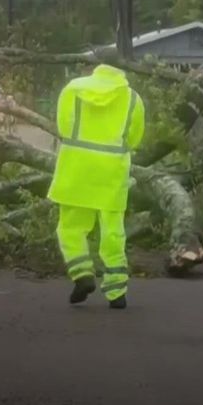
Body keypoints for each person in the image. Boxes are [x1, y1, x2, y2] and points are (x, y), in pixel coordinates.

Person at [47, 64, 145, 309]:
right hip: (112, 172)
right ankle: (116, 292)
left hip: (76, 168)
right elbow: (135, 137)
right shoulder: (132, 97)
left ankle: (82, 274)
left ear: (95, 69)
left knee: (70, 228)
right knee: (113, 232)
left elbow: (63, 126)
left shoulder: (72, 89)